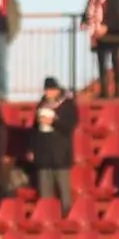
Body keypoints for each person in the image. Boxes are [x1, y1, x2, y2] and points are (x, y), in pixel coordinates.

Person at [30, 79, 77, 213]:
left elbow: (69, 126)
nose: (48, 93)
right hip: (43, 154)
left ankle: (66, 214)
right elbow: (34, 129)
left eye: (50, 90)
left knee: (63, 189)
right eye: (46, 90)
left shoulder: (67, 106)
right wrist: (32, 148)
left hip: (60, 154)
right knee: (45, 191)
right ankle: (47, 216)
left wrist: (53, 122)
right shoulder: (41, 105)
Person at [83, 0, 119, 97]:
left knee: (115, 60)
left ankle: (118, 91)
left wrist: (107, 26)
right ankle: (104, 91)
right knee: (101, 62)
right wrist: (85, 23)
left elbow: (116, 15)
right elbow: (86, 13)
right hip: (99, 36)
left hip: (114, 34)